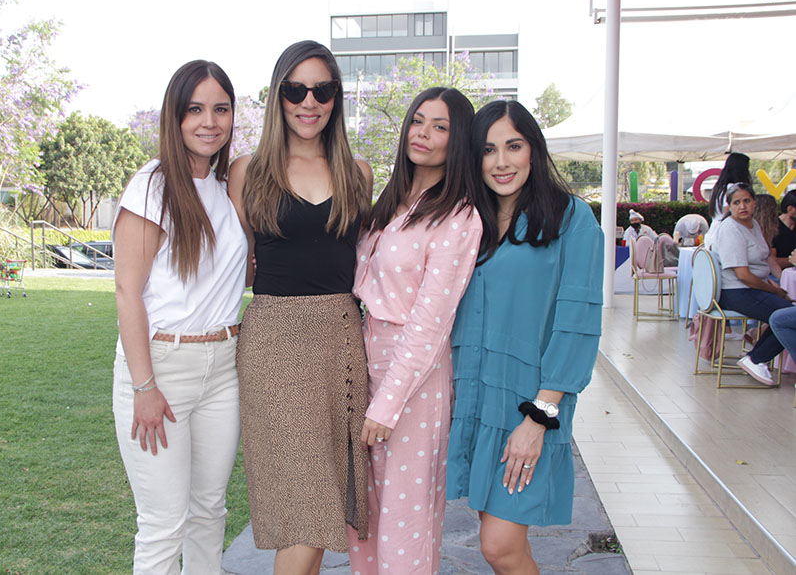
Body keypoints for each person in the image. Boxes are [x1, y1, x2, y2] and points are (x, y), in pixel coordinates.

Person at [228, 40, 373, 575]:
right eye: (295, 89)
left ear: (336, 97)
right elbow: (239, 258)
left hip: (341, 344)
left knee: (320, 506)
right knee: (305, 507)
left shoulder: (358, 172)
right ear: (278, 96)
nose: (308, 101)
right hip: (274, 348)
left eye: (322, 89)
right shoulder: (248, 171)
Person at [446, 100, 603, 575]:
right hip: (474, 399)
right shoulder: (468, 222)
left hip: (530, 406)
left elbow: (577, 325)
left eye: (513, 146)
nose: (501, 161)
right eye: (488, 150)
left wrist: (540, 417)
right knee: (501, 543)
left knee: (499, 545)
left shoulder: (571, 219)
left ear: (534, 150)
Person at [111, 60, 248, 574]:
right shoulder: (152, 185)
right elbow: (128, 291)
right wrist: (144, 386)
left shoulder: (226, 187)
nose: (209, 121)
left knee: (210, 511)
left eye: (220, 109)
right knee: (163, 523)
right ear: (175, 116)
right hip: (161, 368)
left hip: (223, 367)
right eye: (195, 109)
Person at [347, 87, 482, 574]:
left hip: (414, 377)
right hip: (364, 358)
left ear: (458, 139)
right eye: (418, 121)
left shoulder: (460, 215)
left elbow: (431, 321)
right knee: (365, 519)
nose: (422, 133)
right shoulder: (392, 199)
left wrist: (387, 402)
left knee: (405, 521)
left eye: (440, 126)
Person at [709, 183, 791, 386]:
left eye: (746, 200)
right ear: (730, 206)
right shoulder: (730, 229)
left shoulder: (753, 225)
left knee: (787, 314)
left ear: (754, 203)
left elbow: (768, 260)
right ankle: (756, 359)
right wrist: (775, 291)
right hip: (736, 291)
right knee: (787, 317)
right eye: (736, 202)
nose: (742, 206)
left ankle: (756, 356)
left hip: (753, 288)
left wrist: (783, 281)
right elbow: (743, 275)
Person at [708, 152, 752, 223]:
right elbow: (728, 209)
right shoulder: (734, 188)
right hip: (727, 229)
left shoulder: (717, 188)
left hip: (714, 228)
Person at [772, 189, 796, 269]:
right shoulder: (772, 227)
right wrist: (792, 260)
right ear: (790, 209)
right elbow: (772, 261)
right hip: (778, 275)